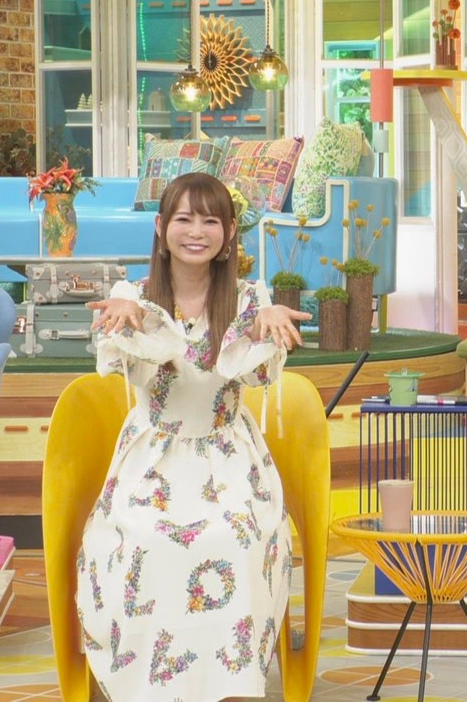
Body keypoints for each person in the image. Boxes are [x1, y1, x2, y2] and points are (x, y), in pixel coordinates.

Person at [79, 172, 310, 701]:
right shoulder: (132, 296)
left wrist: (266, 324)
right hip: (152, 459)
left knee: (238, 537)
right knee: (142, 539)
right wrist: (126, 320)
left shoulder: (249, 298)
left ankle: (231, 684)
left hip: (229, 457)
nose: (196, 231)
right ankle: (148, 686)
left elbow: (258, 368)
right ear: (161, 228)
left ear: (229, 233)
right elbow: (120, 346)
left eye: (210, 220)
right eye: (184, 218)